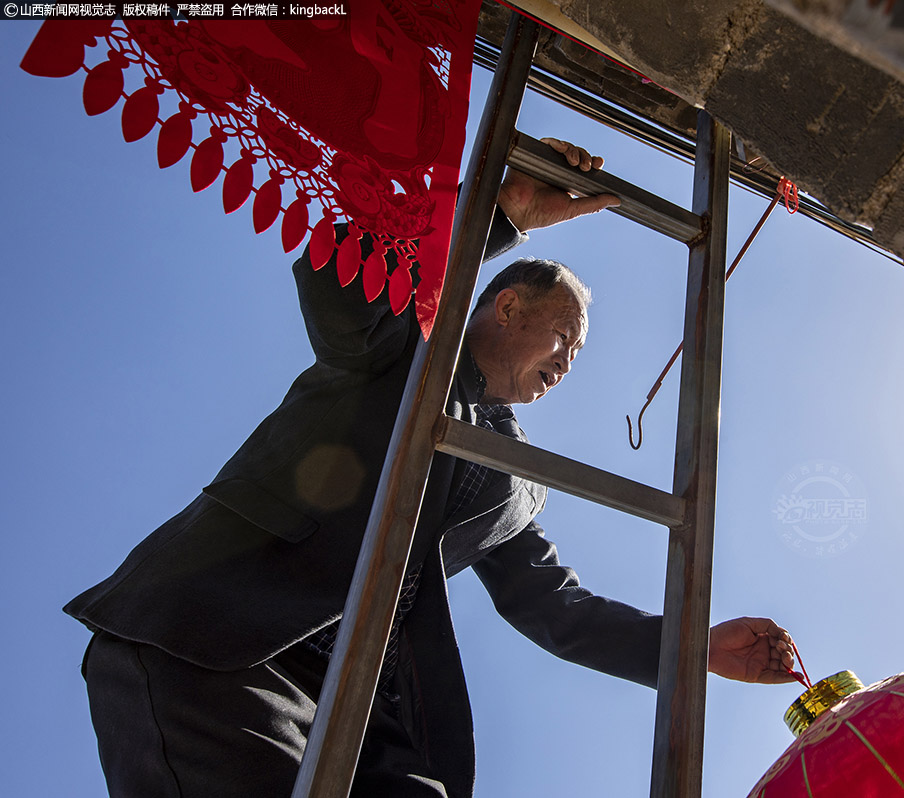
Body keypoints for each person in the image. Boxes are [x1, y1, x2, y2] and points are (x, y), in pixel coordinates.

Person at [65, 139, 795, 797]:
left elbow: (554, 607)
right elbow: (340, 282)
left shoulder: (513, 477)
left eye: (579, 354)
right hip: (215, 642)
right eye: (564, 338)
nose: (569, 363)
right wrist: (497, 216)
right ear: (506, 307)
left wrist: (695, 649)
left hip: (360, 707)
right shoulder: (399, 346)